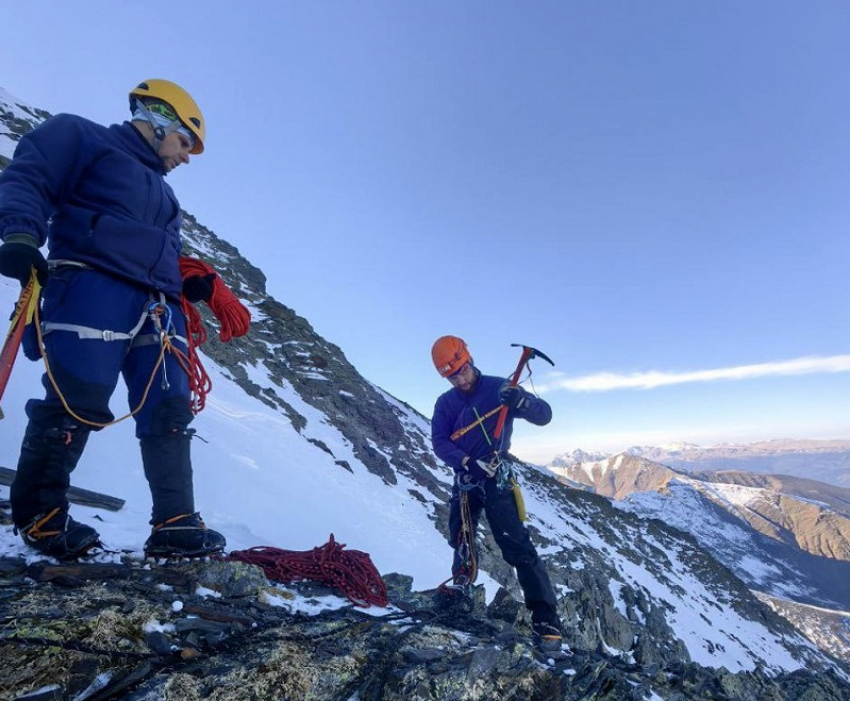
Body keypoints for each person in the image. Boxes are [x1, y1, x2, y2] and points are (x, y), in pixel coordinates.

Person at [0, 79, 228, 560]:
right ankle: (41, 515)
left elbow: (160, 250)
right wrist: (21, 234)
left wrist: (186, 282)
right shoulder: (82, 137)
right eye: (184, 142)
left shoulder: (166, 198)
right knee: (75, 398)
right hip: (89, 284)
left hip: (158, 307)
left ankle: (175, 522)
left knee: (169, 410)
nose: (185, 157)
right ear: (159, 118)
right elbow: (30, 176)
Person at [430, 335, 563, 656]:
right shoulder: (445, 404)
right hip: (467, 477)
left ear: (469, 360)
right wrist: (465, 462)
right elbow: (440, 442)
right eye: (452, 376)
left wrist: (523, 402)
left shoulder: (501, 389)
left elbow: (544, 416)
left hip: (497, 477)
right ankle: (462, 586)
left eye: (461, 371)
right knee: (460, 535)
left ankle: (546, 619)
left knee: (516, 544)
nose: (459, 379)